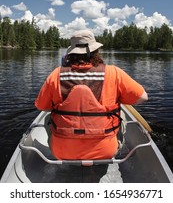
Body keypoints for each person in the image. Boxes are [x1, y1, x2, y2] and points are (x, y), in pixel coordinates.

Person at [35, 29, 148, 161]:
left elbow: (41, 106)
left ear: (70, 54)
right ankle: (114, 144)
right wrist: (118, 98)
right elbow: (143, 97)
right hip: (106, 152)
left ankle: (61, 144)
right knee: (120, 113)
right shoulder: (114, 72)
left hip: (62, 152)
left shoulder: (56, 74)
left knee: (48, 116)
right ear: (96, 51)